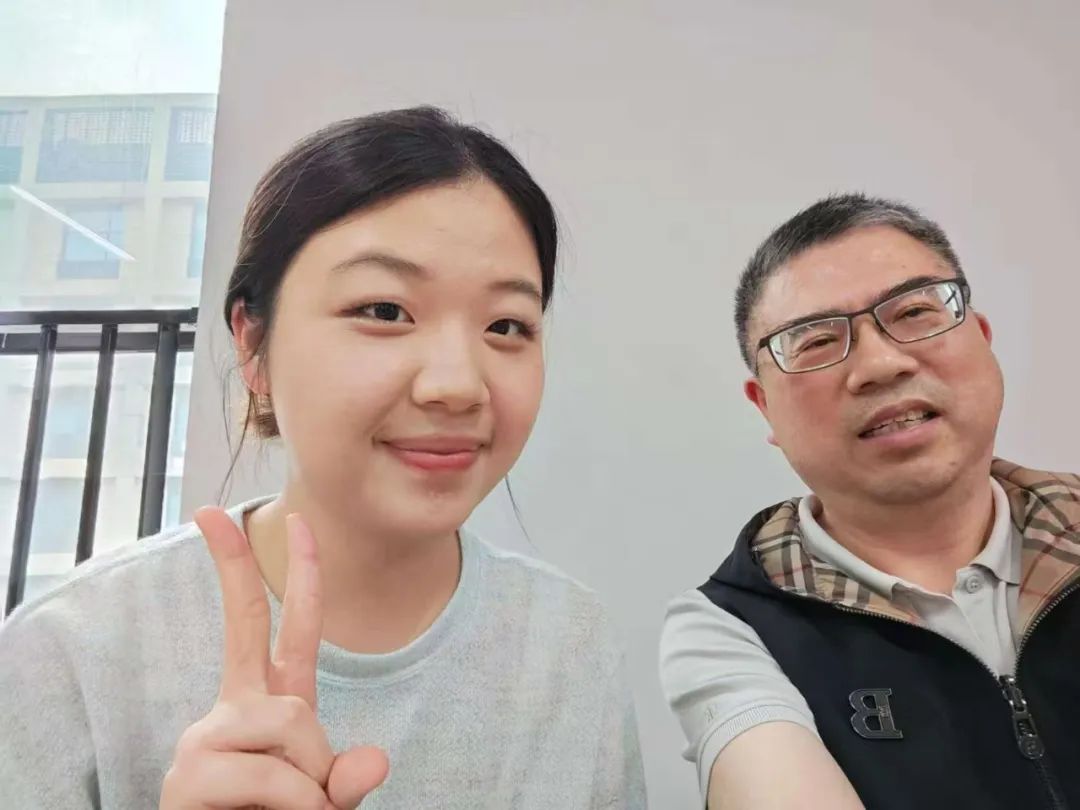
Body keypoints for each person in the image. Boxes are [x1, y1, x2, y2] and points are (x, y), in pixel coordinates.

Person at [0, 106, 646, 809]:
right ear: (253, 344)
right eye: (384, 310)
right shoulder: (72, 653)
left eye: (507, 325)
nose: (459, 385)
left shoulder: (572, 647)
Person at [660, 193, 1080, 810]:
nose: (881, 365)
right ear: (765, 406)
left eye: (914, 312)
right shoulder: (732, 627)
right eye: (814, 342)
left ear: (983, 338)